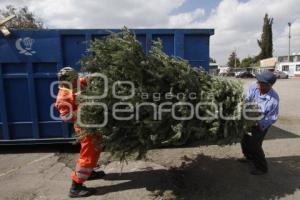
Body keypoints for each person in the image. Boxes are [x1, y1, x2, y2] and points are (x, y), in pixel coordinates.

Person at [55, 67, 105, 198]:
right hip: (84, 127)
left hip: (92, 125)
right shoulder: (63, 96)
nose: (78, 80)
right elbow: (66, 117)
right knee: (88, 154)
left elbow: (86, 79)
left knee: (96, 149)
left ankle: (89, 173)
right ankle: (76, 187)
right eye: (75, 79)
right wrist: (84, 110)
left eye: (77, 78)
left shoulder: (76, 84)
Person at [238, 70, 279, 175]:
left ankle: (262, 167)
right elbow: (246, 99)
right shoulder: (254, 86)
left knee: (255, 144)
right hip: (248, 118)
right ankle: (248, 156)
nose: (258, 85)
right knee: (244, 138)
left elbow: (272, 117)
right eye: (258, 82)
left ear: (269, 85)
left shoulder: (273, 99)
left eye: (261, 83)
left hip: (261, 123)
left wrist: (258, 123)